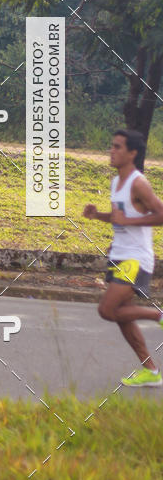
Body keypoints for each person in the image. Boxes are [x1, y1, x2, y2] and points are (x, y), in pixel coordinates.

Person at [83, 129, 163, 387]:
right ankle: (150, 371)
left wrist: (126, 220)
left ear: (132, 153)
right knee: (123, 315)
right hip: (120, 255)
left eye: (118, 147)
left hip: (135, 258)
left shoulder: (138, 182)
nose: (112, 151)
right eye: (111, 146)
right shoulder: (116, 182)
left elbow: (160, 215)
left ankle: (158, 316)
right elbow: (121, 217)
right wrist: (99, 216)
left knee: (107, 310)